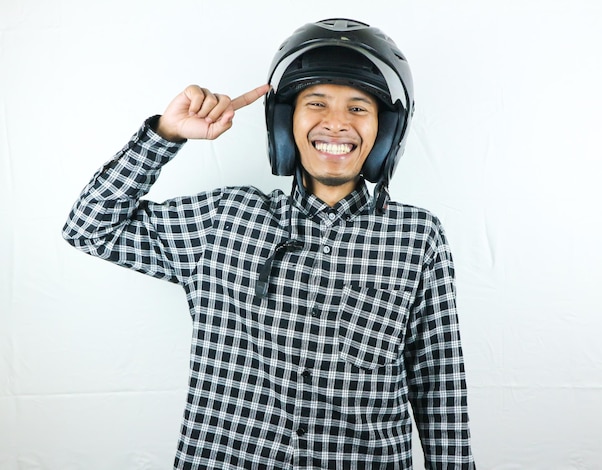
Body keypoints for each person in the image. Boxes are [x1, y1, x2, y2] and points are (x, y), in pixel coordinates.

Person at [63, 18, 475, 469]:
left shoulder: (417, 237)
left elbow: (438, 383)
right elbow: (90, 227)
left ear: (384, 131)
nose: (335, 123)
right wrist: (166, 134)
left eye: (359, 108)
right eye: (315, 103)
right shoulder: (223, 220)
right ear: (285, 122)